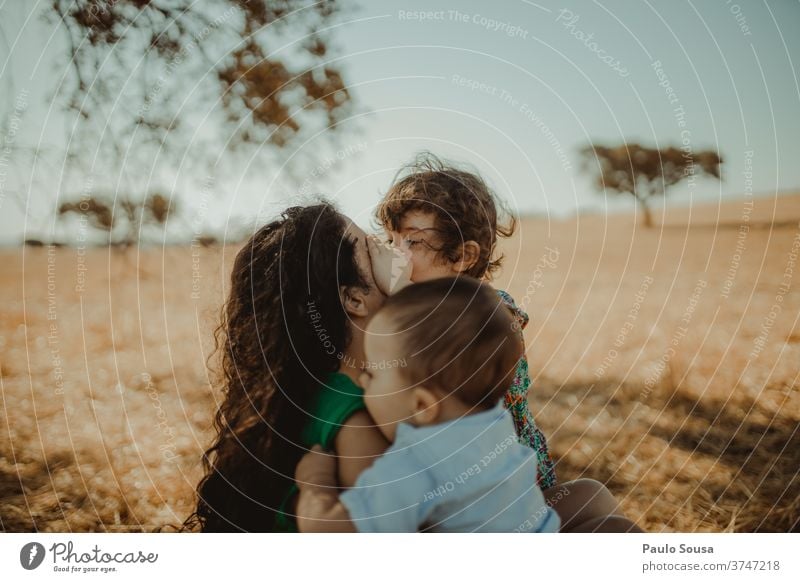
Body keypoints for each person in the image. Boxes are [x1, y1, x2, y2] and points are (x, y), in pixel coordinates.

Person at [366, 153, 642, 532]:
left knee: (594, 496)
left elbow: (450, 358)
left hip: (511, 483)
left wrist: (399, 296)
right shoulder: (393, 316)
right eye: (390, 240)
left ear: (463, 255)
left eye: (411, 241)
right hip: (463, 496)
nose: (395, 255)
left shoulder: (492, 314)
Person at [293, 277, 561, 532]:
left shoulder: (416, 463)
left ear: (422, 405)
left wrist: (316, 484)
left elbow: (333, 532)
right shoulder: (494, 420)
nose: (362, 381)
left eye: (372, 373)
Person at [182, 201, 389, 532]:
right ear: (354, 299)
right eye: (372, 247)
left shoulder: (309, 392)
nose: (388, 249)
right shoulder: (357, 417)